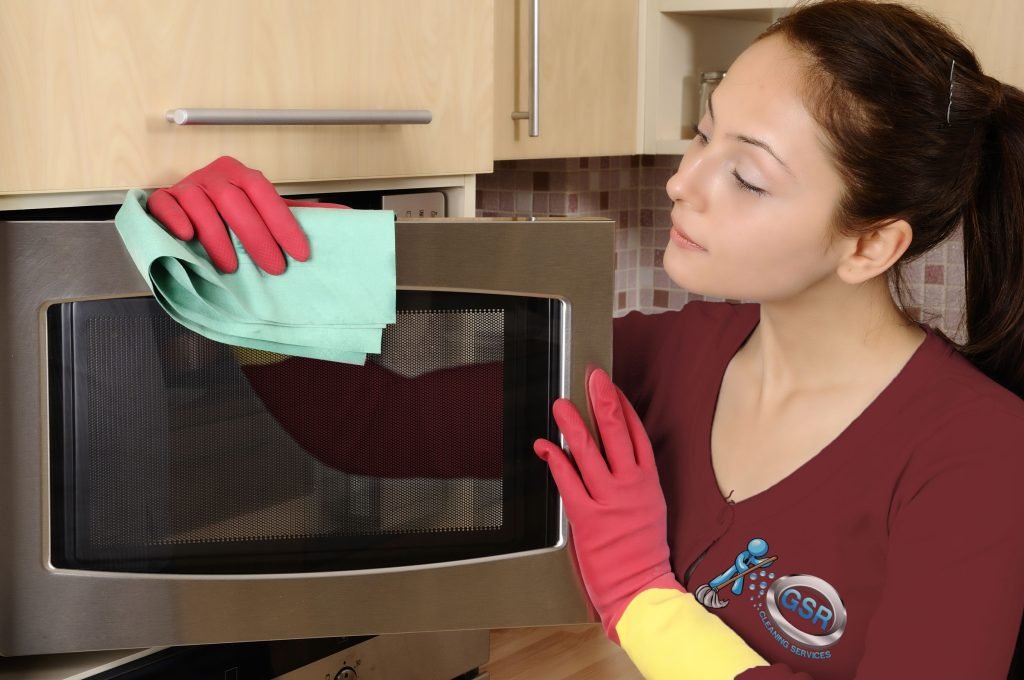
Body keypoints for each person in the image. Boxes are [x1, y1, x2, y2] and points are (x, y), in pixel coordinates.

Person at [145, 1, 1024, 677]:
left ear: (872, 243)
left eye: (747, 176)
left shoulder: (977, 454)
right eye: (704, 133)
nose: (684, 182)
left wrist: (644, 597)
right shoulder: (660, 360)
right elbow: (377, 426)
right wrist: (259, 281)